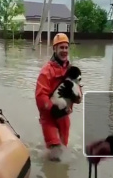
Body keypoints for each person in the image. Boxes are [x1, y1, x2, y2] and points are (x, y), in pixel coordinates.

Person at [35, 33, 82, 161]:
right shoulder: (46, 71)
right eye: (61, 47)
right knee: (55, 154)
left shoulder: (72, 71)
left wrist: (76, 96)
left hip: (64, 117)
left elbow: (79, 96)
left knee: (64, 151)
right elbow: (40, 96)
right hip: (48, 117)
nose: (64, 50)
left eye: (66, 47)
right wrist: (51, 109)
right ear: (54, 49)